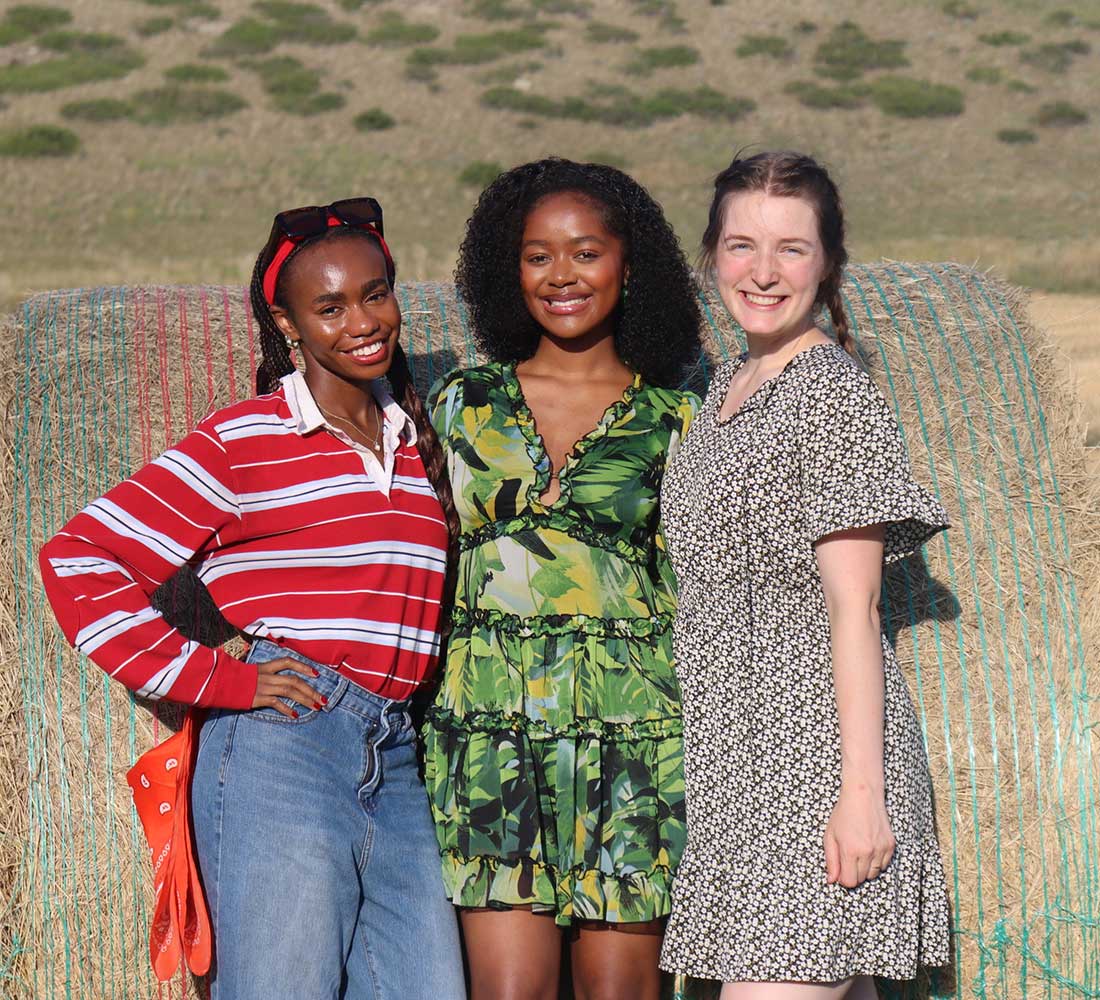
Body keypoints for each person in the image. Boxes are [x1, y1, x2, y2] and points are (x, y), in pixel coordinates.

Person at [38, 198, 466, 1000]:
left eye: (376, 294)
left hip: (397, 755)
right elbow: (78, 558)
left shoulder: (417, 443)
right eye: (329, 307)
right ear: (288, 323)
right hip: (285, 748)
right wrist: (221, 681)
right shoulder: (246, 440)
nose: (363, 321)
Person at [657, 151, 951, 998]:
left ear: (829, 264)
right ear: (711, 253)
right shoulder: (722, 392)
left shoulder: (830, 394)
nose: (763, 271)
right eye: (742, 244)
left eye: (792, 248)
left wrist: (861, 795)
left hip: (814, 771)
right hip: (736, 772)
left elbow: (854, 610)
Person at [423, 158, 702, 1000]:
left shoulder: (680, 415)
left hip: (633, 742)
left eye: (586, 252)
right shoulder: (458, 402)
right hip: (487, 739)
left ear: (630, 265)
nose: (561, 276)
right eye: (537, 255)